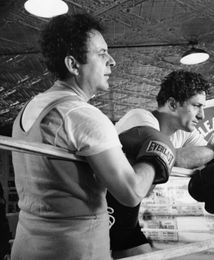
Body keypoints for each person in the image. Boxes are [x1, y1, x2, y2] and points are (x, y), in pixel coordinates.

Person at [10, 13, 175, 260]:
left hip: (27, 248)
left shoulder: (27, 109)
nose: (112, 61)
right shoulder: (83, 115)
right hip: (75, 251)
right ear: (73, 64)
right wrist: (157, 155)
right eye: (101, 53)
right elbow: (131, 193)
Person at [108, 70, 214, 258]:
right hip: (102, 204)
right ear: (172, 104)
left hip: (128, 213)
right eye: (196, 106)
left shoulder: (184, 133)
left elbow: (208, 157)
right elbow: (166, 155)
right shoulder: (140, 118)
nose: (202, 115)